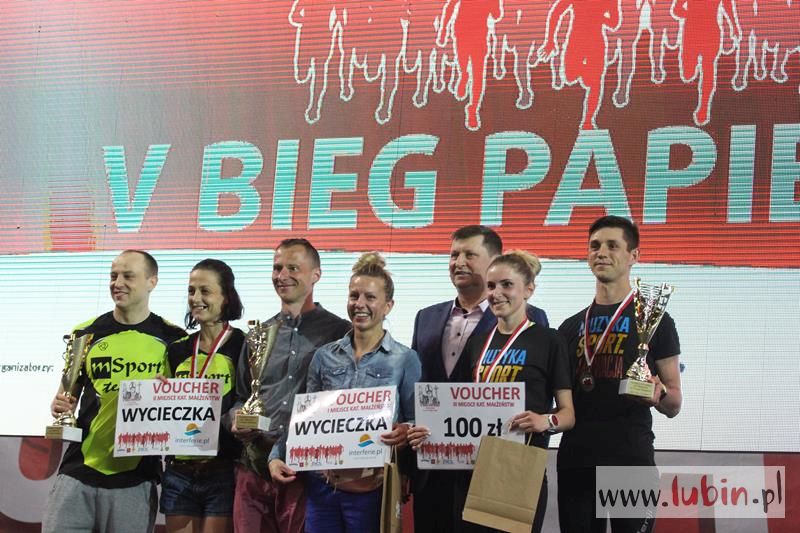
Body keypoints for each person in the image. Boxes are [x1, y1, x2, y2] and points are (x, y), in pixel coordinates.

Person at [411, 250, 574, 532]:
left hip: (520, 468)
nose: (496, 293)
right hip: (474, 468)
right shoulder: (477, 343)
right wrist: (429, 431)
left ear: (529, 289)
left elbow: (568, 414)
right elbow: (459, 406)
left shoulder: (550, 340)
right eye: (491, 286)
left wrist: (545, 421)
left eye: (507, 285)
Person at [268, 252, 422, 533]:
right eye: (354, 296)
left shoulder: (405, 359)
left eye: (370, 297)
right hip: (322, 488)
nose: (360, 304)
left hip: (373, 491)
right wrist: (277, 455)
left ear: (388, 306)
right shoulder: (324, 356)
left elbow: (415, 421)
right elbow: (304, 419)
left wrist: (405, 431)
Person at [43, 250, 185, 533]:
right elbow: (64, 399)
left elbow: (182, 413)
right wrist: (60, 406)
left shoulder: (174, 339)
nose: (117, 283)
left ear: (152, 282)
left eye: (128, 276)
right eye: (113, 276)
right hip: (78, 472)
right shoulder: (85, 333)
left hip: (135, 480)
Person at [557, 215, 682, 533]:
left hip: (630, 459)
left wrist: (658, 394)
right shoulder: (569, 328)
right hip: (577, 460)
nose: (601, 252)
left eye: (613, 245)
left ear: (633, 256)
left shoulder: (656, 320)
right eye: (594, 246)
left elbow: (674, 403)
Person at [230, 238, 350, 533]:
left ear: (316, 275)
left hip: (305, 472)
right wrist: (236, 419)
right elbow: (242, 397)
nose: (282, 275)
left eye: (293, 268)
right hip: (253, 469)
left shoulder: (340, 333)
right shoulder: (257, 335)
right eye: (277, 268)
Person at [160, 259, 246, 533]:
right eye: (191, 291)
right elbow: (163, 411)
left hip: (222, 467)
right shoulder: (176, 350)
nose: (195, 299)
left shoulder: (244, 345)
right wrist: (156, 396)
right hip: (179, 469)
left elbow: (248, 399)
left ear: (226, 297)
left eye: (205, 291)